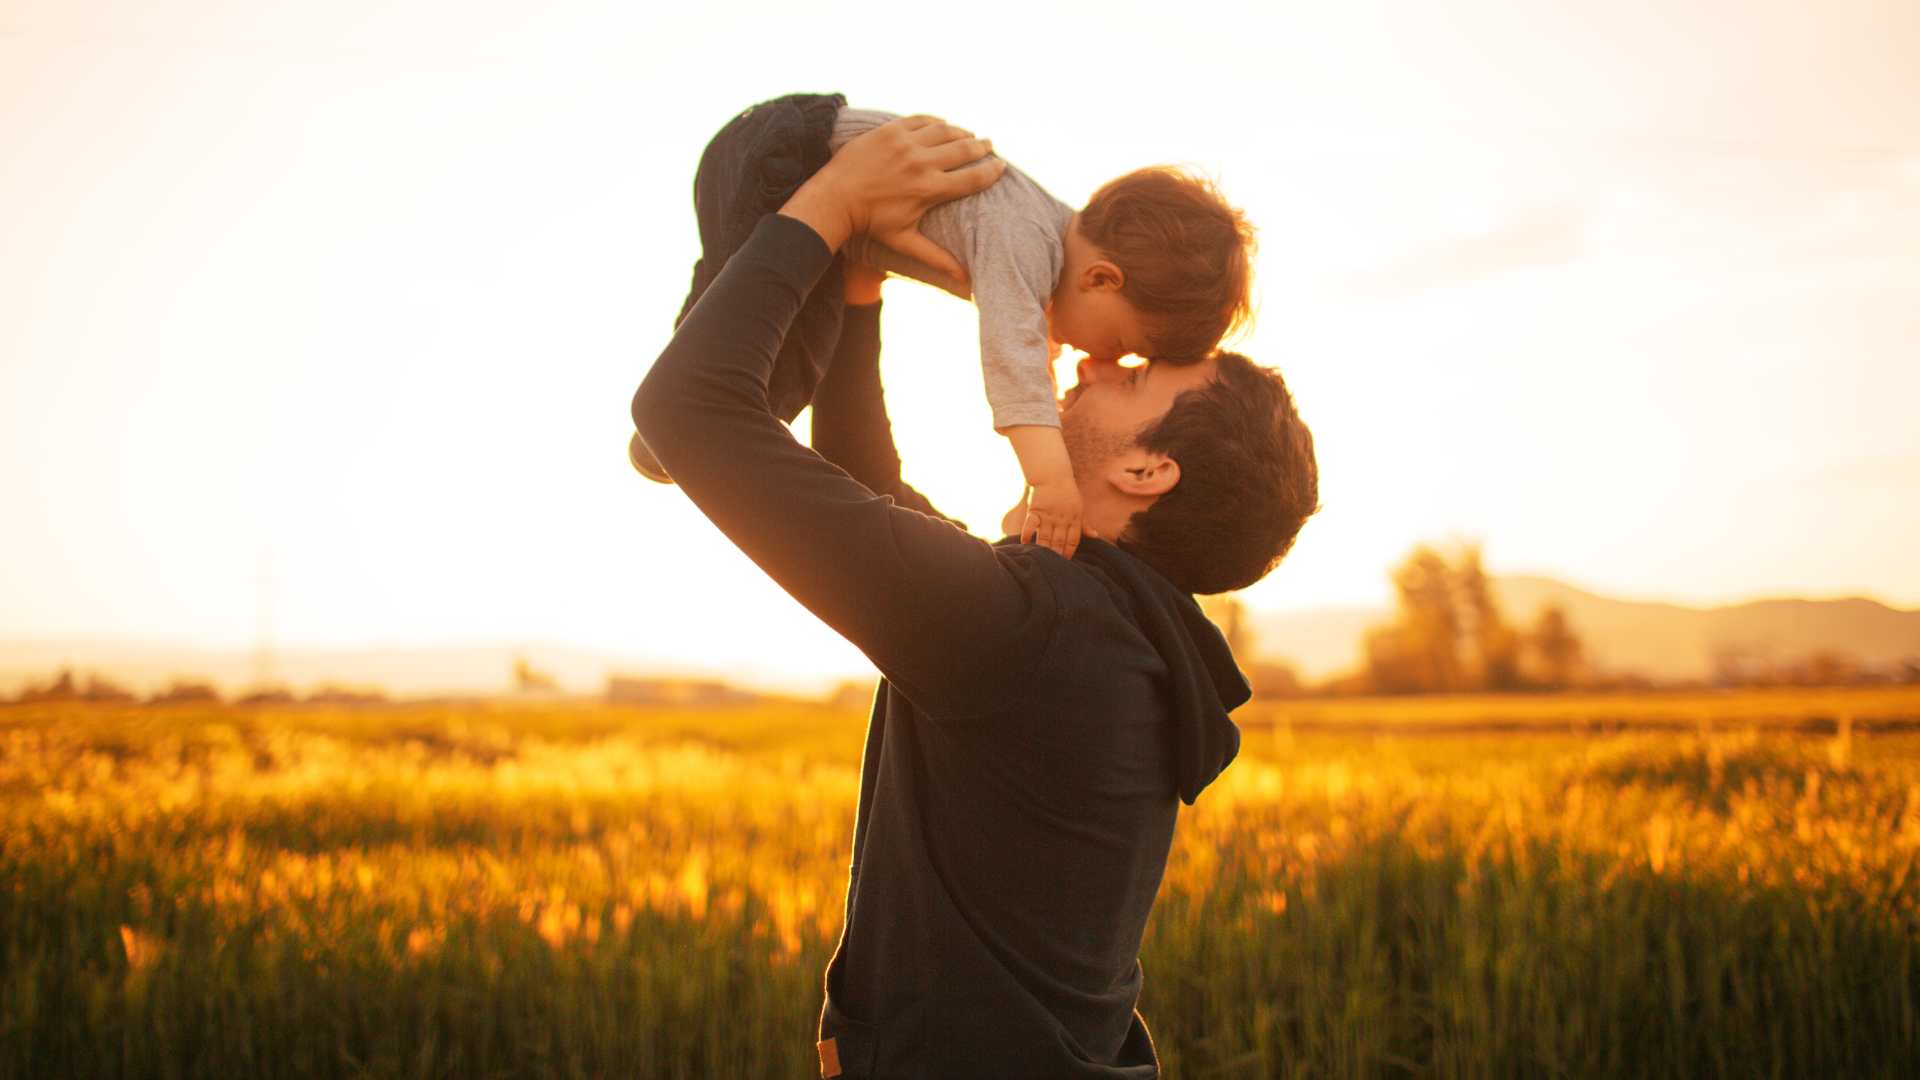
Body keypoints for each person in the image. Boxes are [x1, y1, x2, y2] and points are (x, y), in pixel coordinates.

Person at [631, 116, 1318, 1079]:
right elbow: (868, 491)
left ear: (1148, 469)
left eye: (1136, 372)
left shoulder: (1043, 630)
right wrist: (862, 289)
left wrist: (826, 206)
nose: (1090, 362)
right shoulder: (1114, 636)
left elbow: (684, 412)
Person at [630, 93, 1256, 560]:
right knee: (784, 373)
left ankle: (696, 338)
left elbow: (1022, 338)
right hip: (785, 162)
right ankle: (662, 444)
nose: (1099, 359)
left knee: (753, 301)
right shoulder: (1026, 244)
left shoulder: (1045, 238)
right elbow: (1011, 359)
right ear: (1101, 279)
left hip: (769, 148)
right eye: (1120, 345)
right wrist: (1051, 479)